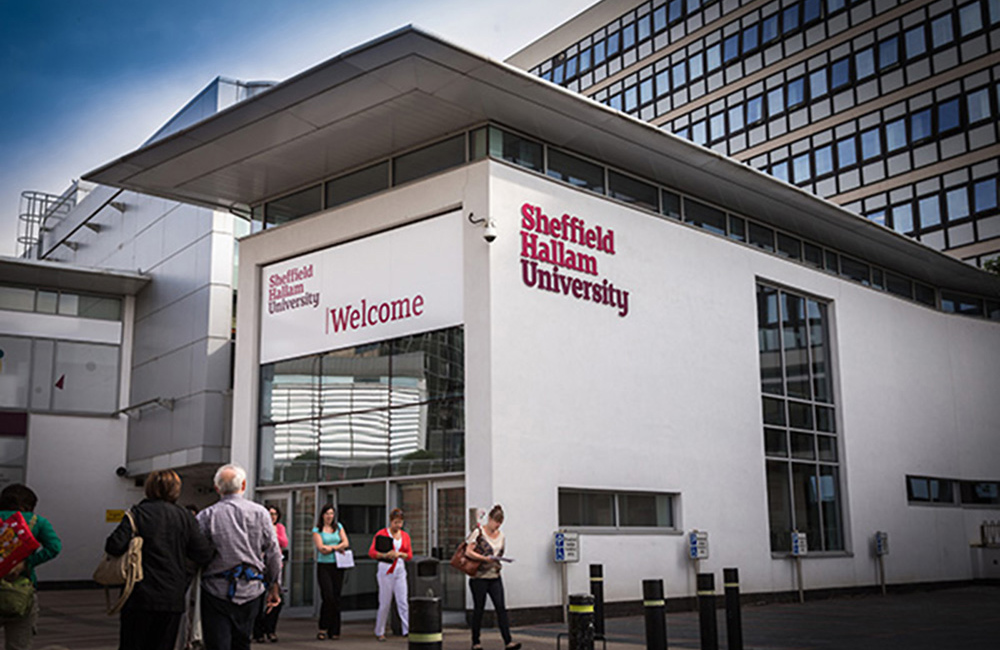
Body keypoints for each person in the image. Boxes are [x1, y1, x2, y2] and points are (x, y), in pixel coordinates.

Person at [105, 470, 215, 650]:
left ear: (149, 488)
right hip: (171, 597)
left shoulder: (137, 513)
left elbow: (114, 546)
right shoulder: (185, 516)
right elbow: (203, 554)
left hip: (137, 595)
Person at [196, 465, 282, 650]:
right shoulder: (261, 513)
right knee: (243, 643)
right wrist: (274, 585)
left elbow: (196, 553)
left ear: (217, 488)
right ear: (243, 485)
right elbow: (274, 552)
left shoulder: (206, 516)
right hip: (251, 590)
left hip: (215, 590)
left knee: (217, 644)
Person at [0, 484, 60, 650]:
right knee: (18, 645)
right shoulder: (38, 522)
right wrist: (26, 563)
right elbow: (54, 547)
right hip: (22, 593)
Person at [464, 505, 520, 650]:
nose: (497, 525)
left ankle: (508, 642)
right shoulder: (478, 532)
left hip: (495, 575)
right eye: (495, 522)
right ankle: (475, 642)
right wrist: (484, 558)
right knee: (479, 609)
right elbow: (468, 552)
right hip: (479, 577)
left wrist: (497, 559)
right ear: (489, 519)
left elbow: (500, 552)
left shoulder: (501, 535)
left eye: (500, 523)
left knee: (501, 608)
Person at [368, 508, 413, 641]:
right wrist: (385, 555)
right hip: (385, 568)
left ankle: (407, 629)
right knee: (385, 602)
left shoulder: (405, 536)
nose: (398, 525)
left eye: (400, 523)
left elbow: (409, 555)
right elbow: (371, 552)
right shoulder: (381, 534)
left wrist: (400, 554)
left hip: (399, 568)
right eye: (395, 523)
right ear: (391, 521)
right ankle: (379, 631)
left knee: (403, 601)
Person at [312, 505, 350, 640]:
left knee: (336, 597)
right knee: (328, 597)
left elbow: (346, 542)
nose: (329, 516)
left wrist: (332, 548)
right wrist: (337, 547)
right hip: (324, 566)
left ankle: (335, 630)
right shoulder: (317, 530)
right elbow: (321, 548)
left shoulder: (338, 527)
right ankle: (323, 627)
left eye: (332, 514)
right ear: (322, 515)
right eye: (327, 513)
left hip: (338, 565)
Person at [252, 506, 288, 643]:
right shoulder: (258, 527)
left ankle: (270, 629)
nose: (272, 516)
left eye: (274, 514)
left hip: (276, 567)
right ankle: (258, 632)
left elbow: (284, 542)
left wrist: (273, 533)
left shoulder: (279, 528)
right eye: (270, 514)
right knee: (259, 600)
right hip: (260, 567)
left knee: (276, 599)